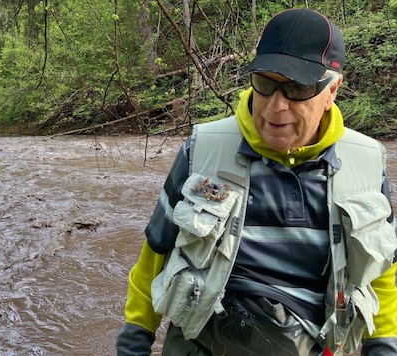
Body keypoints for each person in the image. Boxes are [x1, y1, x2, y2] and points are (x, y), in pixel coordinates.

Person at [116, 8, 397, 356]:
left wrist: (383, 348)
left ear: (332, 90)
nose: (275, 107)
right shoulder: (203, 150)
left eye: (297, 88)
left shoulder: (365, 164)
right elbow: (156, 253)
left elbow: (380, 273)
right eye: (265, 83)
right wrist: (133, 343)